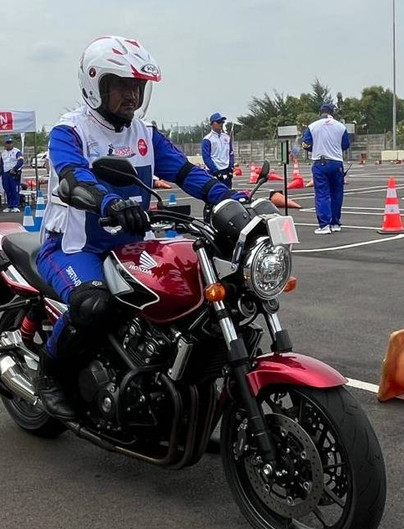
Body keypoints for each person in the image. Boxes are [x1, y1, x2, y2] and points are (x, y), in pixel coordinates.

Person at [35, 35, 248, 420]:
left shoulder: (145, 134)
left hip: (134, 246)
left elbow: (185, 172)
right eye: (121, 85)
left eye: (137, 87)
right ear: (94, 84)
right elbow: (73, 178)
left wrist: (230, 200)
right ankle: (51, 376)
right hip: (74, 247)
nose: (131, 95)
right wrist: (107, 202)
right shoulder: (70, 132)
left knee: (192, 300)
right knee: (94, 305)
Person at [302, 103, 350, 234]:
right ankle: (335, 223)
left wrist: (315, 147)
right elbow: (345, 144)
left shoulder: (313, 126)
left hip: (320, 162)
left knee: (322, 194)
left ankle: (324, 225)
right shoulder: (340, 126)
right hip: (336, 162)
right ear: (332, 113)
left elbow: (305, 144)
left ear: (320, 113)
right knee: (337, 193)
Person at [201, 112, 234, 188]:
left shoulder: (227, 137)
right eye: (218, 122)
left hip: (226, 170)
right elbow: (206, 157)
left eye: (222, 122)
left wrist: (231, 168)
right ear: (212, 124)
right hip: (213, 172)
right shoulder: (207, 139)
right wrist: (215, 171)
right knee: (215, 195)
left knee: (227, 195)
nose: (221, 124)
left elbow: (231, 153)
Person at [0, 136, 23, 213]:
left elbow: (21, 162)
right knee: (7, 189)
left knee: (14, 189)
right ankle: (9, 205)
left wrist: (15, 169)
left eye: (10, 143)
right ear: (5, 144)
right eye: (7, 143)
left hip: (14, 173)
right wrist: (0, 173)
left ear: (12, 143)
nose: (8, 145)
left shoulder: (17, 152)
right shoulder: (3, 153)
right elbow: (1, 164)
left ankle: (15, 205)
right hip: (6, 173)